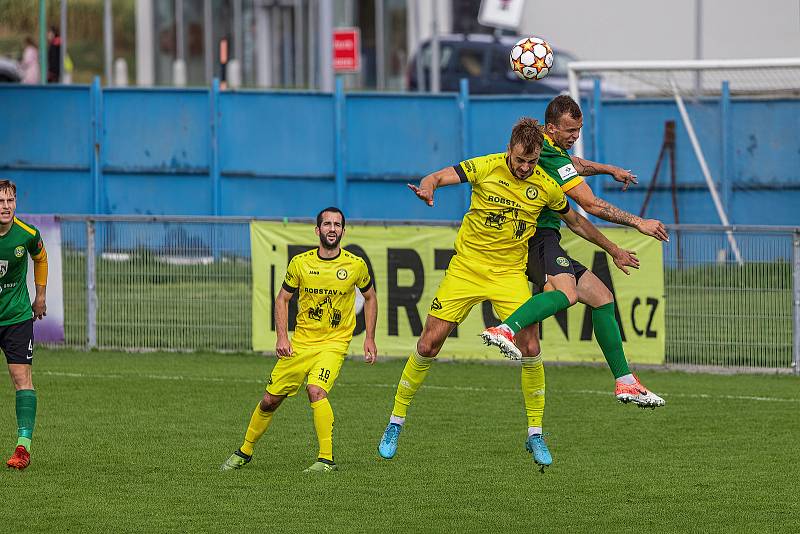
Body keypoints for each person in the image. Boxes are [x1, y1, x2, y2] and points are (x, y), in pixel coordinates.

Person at [377, 118, 639, 470]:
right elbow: (437, 177)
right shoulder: (485, 166)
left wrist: (613, 249)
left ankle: (535, 433)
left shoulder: (545, 185)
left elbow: (578, 222)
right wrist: (428, 188)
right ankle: (395, 422)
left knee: (530, 346)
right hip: (467, 268)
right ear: (509, 150)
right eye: (520, 161)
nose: (525, 168)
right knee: (428, 345)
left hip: (508, 274)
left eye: (532, 162)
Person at [480, 95, 667, 408]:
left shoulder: (545, 146)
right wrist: (638, 222)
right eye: (570, 131)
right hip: (535, 236)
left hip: (541, 236)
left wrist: (608, 169)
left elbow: (573, 165)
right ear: (552, 128)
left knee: (601, 297)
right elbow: (590, 205)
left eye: (579, 130)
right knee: (566, 293)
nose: (575, 137)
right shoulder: (545, 152)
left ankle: (625, 382)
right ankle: (505, 329)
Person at [222, 207, 378, 473]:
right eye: (327, 224)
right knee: (270, 400)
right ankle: (245, 451)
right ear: (317, 230)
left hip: (334, 344)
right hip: (301, 343)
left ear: (343, 231)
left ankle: (326, 459)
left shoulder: (355, 265)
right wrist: (282, 336)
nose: (332, 229)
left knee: (316, 390)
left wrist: (370, 339)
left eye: (337, 225)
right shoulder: (300, 263)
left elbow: (371, 298)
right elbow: (282, 298)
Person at [0, 180, 48, 470]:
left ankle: (23, 447)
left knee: (22, 379)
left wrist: (40, 296)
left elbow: (41, 258)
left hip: (17, 318)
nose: (5, 207)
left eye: (10, 201)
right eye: (0, 201)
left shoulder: (27, 234)